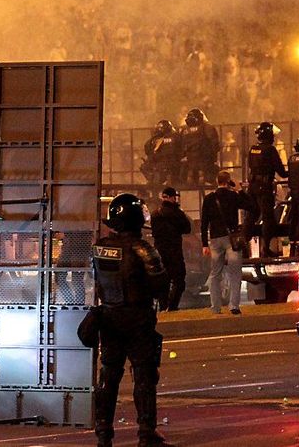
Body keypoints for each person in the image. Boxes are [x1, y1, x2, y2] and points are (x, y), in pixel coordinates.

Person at [92, 193, 172, 447]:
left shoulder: (101, 248)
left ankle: (103, 433)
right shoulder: (144, 249)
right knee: (144, 377)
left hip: (109, 318)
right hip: (138, 319)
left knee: (108, 377)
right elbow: (162, 284)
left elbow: (95, 282)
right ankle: (146, 432)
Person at [201, 171, 250, 314]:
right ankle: (234, 305)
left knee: (215, 274)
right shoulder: (233, 196)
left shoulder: (209, 198)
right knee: (235, 273)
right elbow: (251, 206)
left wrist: (205, 244)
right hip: (231, 239)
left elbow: (204, 223)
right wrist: (240, 190)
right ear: (228, 181)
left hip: (215, 239)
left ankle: (215, 307)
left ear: (217, 181)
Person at [247, 121, 288, 256]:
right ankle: (265, 248)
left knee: (252, 215)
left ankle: (242, 242)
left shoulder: (253, 148)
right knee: (268, 218)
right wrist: (294, 172)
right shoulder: (270, 150)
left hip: (252, 187)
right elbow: (281, 172)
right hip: (264, 188)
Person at [149, 187, 191, 311]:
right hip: (175, 251)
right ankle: (172, 306)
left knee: (164, 281)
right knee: (179, 280)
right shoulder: (177, 213)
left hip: (160, 251)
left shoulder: (155, 213)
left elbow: (154, 232)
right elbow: (187, 229)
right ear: (173, 197)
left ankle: (163, 306)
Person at [179, 108, 220, 185]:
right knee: (204, 176)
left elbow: (181, 145)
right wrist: (213, 157)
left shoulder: (184, 130)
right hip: (205, 158)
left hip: (189, 159)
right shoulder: (207, 127)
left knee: (189, 175)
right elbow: (215, 144)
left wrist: (184, 156)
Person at [140, 120, 182, 189]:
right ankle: (156, 178)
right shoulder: (176, 136)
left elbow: (148, 150)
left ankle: (155, 179)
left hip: (165, 164)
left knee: (149, 166)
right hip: (169, 164)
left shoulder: (157, 139)